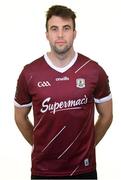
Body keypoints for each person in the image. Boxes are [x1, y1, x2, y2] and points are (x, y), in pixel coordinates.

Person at [14, 5, 113, 180]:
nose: (60, 35)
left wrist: (87, 147)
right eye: (54, 29)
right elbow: (20, 116)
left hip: (84, 170)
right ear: (46, 34)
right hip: (43, 171)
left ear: (74, 33)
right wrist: (40, 145)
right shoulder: (29, 73)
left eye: (66, 28)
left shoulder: (93, 71)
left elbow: (107, 115)